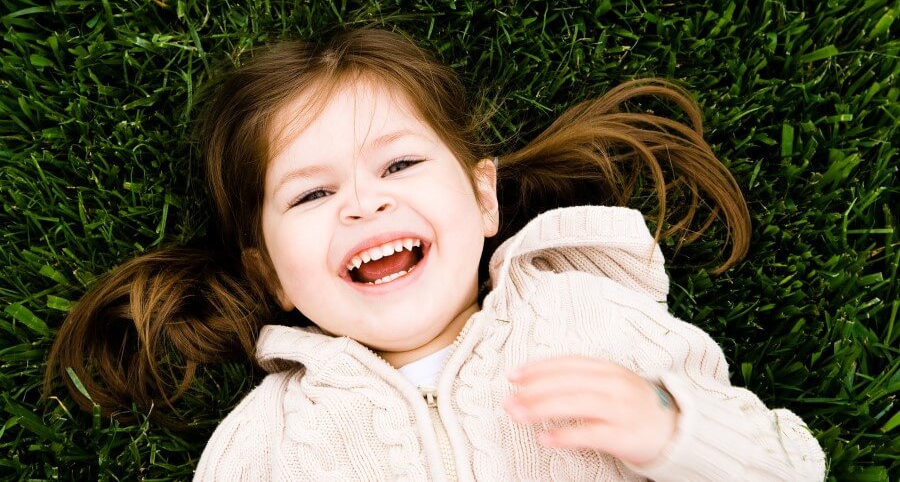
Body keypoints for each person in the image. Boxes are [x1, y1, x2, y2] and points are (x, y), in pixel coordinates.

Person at [46, 28, 825, 480]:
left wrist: (672, 429)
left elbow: (793, 466)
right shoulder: (269, 443)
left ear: (484, 197)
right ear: (268, 274)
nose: (362, 203)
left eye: (399, 165)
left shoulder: (589, 317)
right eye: (312, 195)